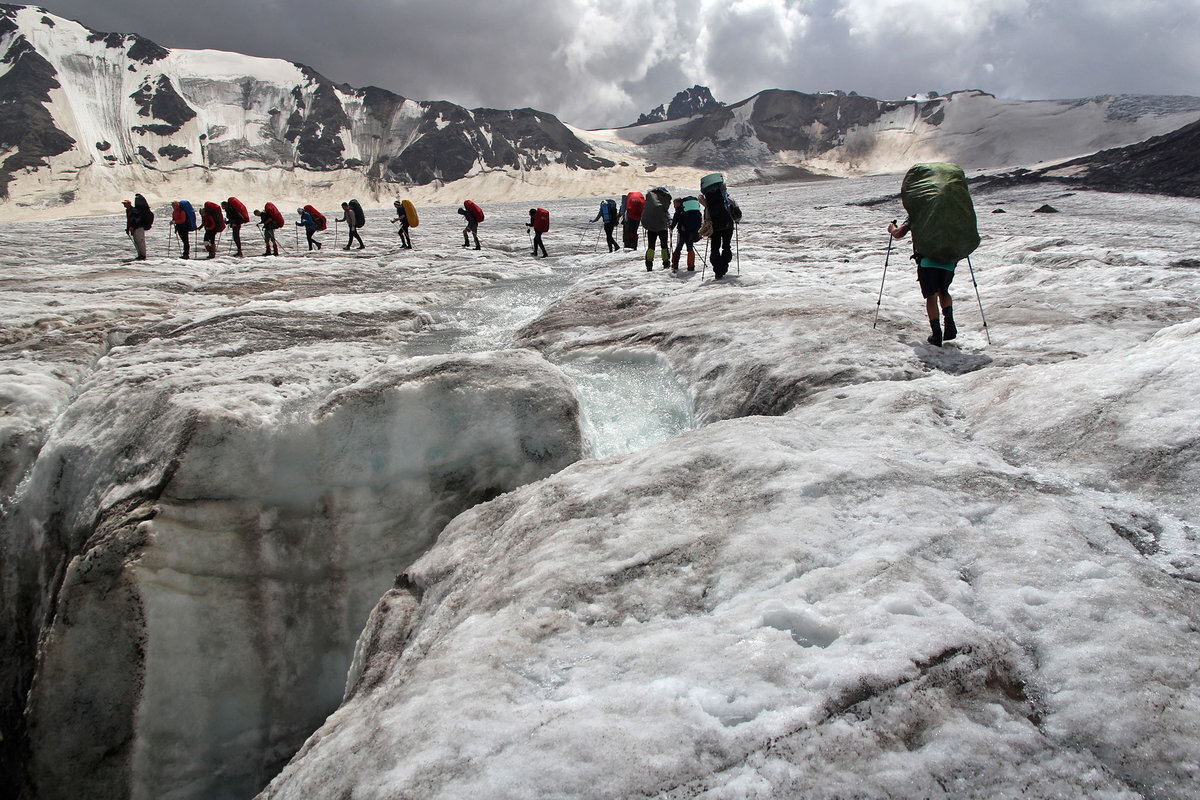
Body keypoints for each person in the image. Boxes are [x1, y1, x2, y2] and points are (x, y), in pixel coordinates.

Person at [888, 220, 957, 346]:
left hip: (927, 261)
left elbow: (898, 234)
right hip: (949, 259)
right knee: (944, 291)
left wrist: (892, 229)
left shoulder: (919, 211)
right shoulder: (947, 210)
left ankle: (936, 335)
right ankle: (950, 326)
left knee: (931, 295)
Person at [701, 181, 740, 279]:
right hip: (728, 226)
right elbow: (738, 213)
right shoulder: (728, 199)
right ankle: (724, 267)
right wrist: (736, 220)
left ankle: (718, 271)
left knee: (714, 249)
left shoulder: (708, 201)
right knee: (726, 246)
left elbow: (706, 216)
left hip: (714, 228)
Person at [641, 187, 672, 271]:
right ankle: (666, 263)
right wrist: (670, 223)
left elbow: (644, 214)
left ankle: (649, 264)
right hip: (662, 227)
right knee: (664, 246)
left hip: (651, 228)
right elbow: (667, 215)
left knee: (651, 246)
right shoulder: (663, 205)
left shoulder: (650, 205)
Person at [669, 196, 702, 271]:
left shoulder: (679, 210)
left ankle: (675, 264)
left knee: (678, 248)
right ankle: (691, 266)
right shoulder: (689, 210)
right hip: (691, 232)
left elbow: (675, 221)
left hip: (682, 233)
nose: (674, 206)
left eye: (674, 204)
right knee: (690, 248)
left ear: (678, 203)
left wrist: (671, 228)